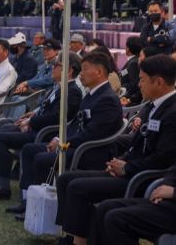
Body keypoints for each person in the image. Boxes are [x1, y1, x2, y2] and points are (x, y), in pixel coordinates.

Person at [55, 54, 176, 245]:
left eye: (142, 80)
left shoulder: (172, 112)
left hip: (144, 178)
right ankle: (73, 237)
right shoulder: (151, 106)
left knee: (80, 189)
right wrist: (120, 161)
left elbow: (163, 158)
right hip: (132, 170)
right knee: (67, 180)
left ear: (159, 82)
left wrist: (127, 167)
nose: (138, 84)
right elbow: (136, 144)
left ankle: (78, 241)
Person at [16, 51, 123, 218]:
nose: (81, 73)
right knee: (31, 150)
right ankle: (29, 201)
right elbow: (74, 124)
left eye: (85, 69)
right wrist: (59, 139)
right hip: (76, 145)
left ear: (99, 72)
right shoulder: (92, 94)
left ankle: (45, 211)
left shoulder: (106, 99)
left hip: (90, 152)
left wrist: (64, 144)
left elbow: (91, 134)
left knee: (42, 158)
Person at [0, 52, 83, 203]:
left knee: (0, 138)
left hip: (44, 133)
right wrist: (32, 115)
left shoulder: (71, 92)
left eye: (56, 65)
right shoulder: (59, 87)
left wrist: (31, 122)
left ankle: (3, 185)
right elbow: (47, 109)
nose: (52, 68)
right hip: (37, 127)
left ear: (69, 70)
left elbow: (56, 118)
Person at [95, 160, 176, 244]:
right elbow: (173, 171)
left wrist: (173, 192)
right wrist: (165, 187)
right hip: (167, 203)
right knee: (106, 207)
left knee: (116, 219)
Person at [119, 36, 143, 106]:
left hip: (128, 98)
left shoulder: (133, 63)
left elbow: (134, 84)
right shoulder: (132, 61)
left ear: (128, 49)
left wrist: (121, 88)